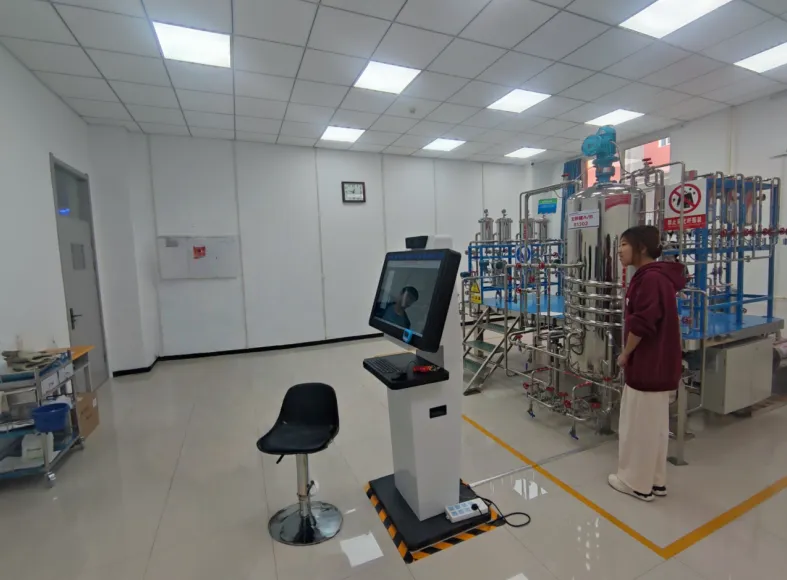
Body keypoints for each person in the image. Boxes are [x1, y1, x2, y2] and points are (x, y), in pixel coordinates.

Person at [608, 225, 686, 502]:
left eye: (624, 244)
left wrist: (626, 354)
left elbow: (642, 323)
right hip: (659, 366)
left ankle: (635, 483)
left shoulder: (649, 279)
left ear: (641, 247)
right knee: (655, 428)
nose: (619, 251)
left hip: (647, 365)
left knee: (637, 427)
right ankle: (655, 480)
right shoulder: (658, 277)